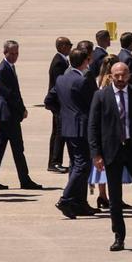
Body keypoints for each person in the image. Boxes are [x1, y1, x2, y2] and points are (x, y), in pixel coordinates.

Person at [88, 62, 132, 252]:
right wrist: (96, 154)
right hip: (112, 152)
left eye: (124, 75)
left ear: (129, 75)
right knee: (115, 197)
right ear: (111, 76)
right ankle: (119, 236)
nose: (120, 79)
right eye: (117, 76)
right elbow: (93, 126)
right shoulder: (101, 96)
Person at [46, 45, 98, 218]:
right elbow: (94, 104)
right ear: (85, 62)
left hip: (67, 128)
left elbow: (49, 100)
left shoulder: (61, 79)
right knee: (83, 165)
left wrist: (62, 115)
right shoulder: (82, 81)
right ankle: (66, 198)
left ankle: (79, 202)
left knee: (76, 165)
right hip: (81, 128)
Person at [0, 40, 43, 191]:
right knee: (17, 148)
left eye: (16, 53)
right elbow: (10, 95)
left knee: (1, 148)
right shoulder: (2, 70)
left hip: (8, 115)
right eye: (11, 53)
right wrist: (22, 109)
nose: (14, 56)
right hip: (8, 115)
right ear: (4, 52)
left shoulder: (9, 67)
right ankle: (24, 179)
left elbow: (15, 92)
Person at [88, 55, 132, 209]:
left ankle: (103, 195)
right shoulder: (112, 85)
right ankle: (113, 197)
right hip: (113, 132)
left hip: (103, 133)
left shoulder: (97, 80)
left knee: (101, 171)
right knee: (112, 171)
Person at [46, 36, 73, 173]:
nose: (71, 47)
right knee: (59, 134)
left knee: (58, 133)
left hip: (59, 104)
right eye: (69, 45)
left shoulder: (62, 60)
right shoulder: (59, 62)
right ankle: (55, 162)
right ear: (62, 46)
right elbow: (58, 85)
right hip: (58, 104)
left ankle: (54, 161)